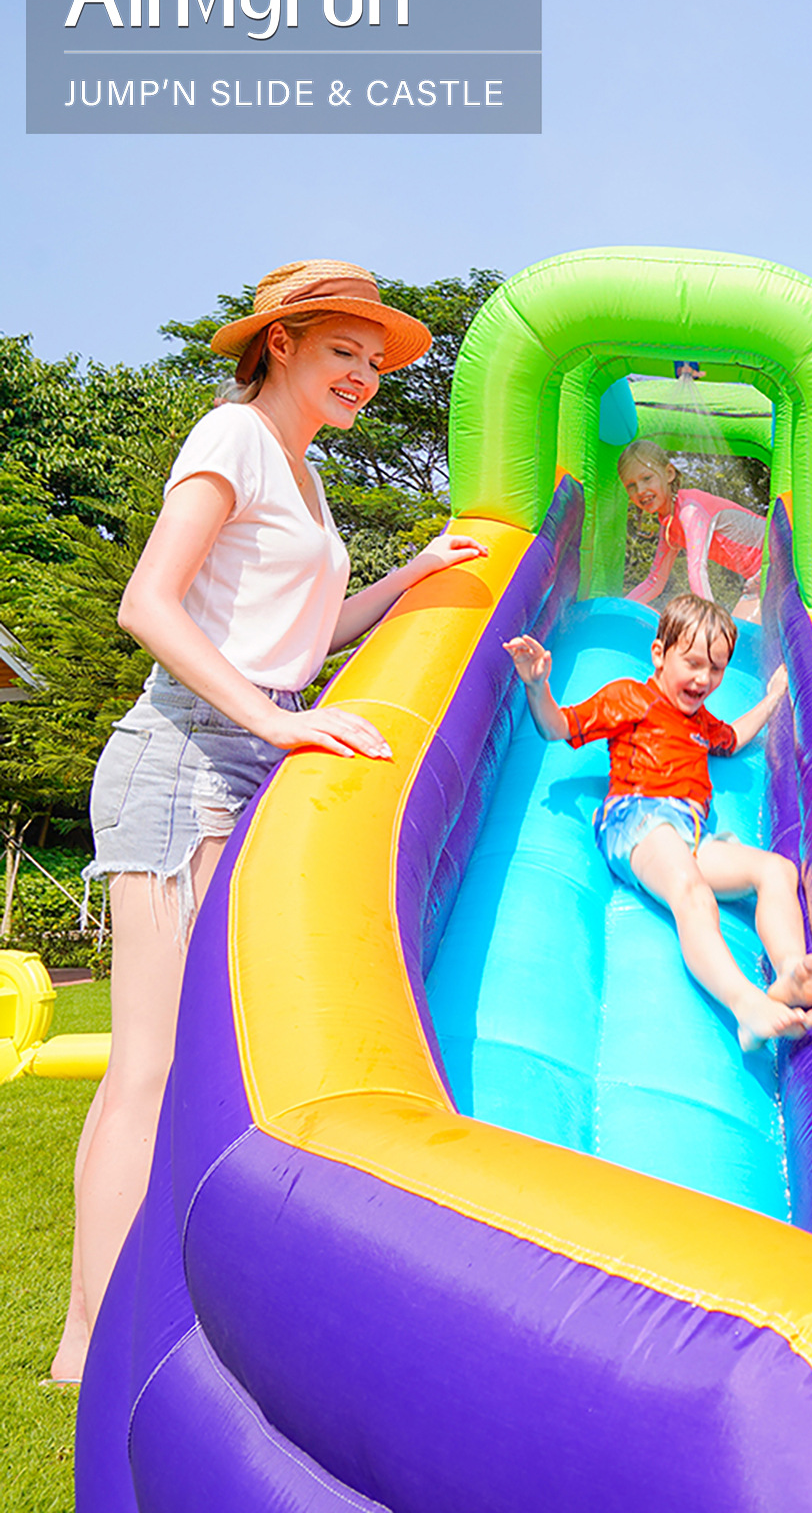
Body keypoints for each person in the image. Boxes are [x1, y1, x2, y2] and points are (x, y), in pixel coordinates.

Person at [48, 260, 486, 1385]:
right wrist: (269, 722)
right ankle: (90, 1341)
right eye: (345, 351)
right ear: (281, 343)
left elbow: (301, 626)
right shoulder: (233, 436)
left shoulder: (297, 468)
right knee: (147, 1059)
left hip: (246, 742)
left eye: (376, 362)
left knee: (186, 1048)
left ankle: (100, 1321)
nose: (365, 377)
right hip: (184, 751)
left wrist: (408, 577)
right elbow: (146, 600)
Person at [504, 593, 812, 1048]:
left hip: (693, 831)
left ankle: (791, 971)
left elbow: (732, 738)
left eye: (715, 669)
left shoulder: (701, 723)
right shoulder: (629, 698)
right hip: (638, 816)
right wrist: (538, 687)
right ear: (659, 654)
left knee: (778, 870)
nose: (703, 679)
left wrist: (773, 699)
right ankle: (746, 1005)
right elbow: (558, 727)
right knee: (690, 892)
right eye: (692, 663)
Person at [619, 440, 767, 623]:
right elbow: (655, 581)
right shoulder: (670, 525)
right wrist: (620, 609)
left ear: (669, 473)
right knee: (738, 640)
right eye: (631, 486)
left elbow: (697, 569)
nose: (640, 490)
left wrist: (709, 622)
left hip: (780, 554)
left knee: (735, 640)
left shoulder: (690, 510)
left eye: (647, 478)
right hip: (761, 574)